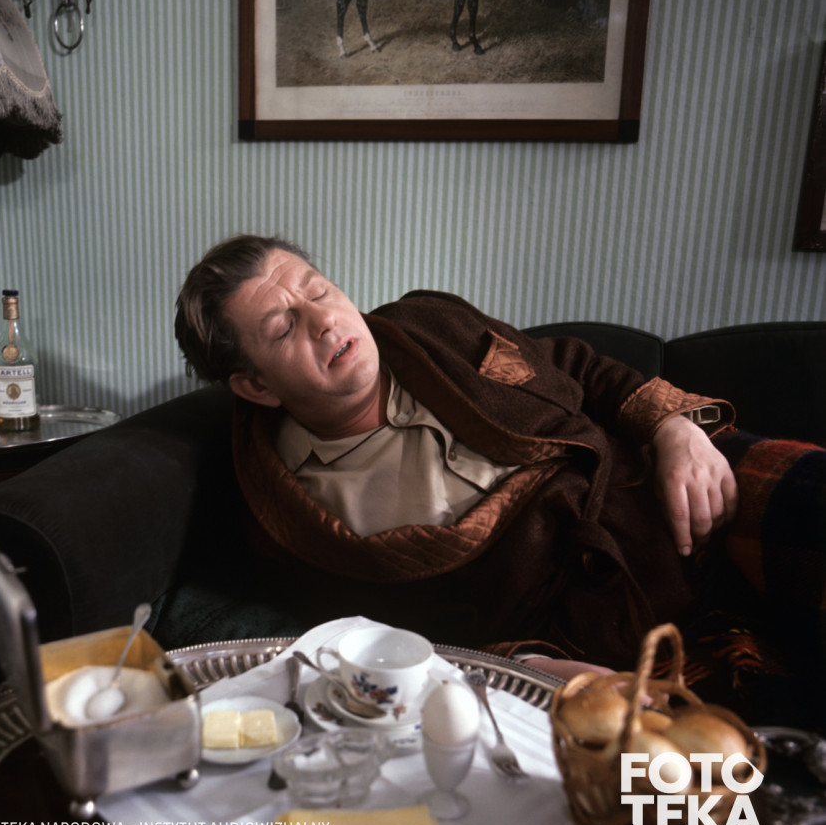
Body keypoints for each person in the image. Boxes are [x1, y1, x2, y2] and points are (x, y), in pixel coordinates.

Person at [174, 234, 742, 681]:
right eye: (284, 328)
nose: (325, 322)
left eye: (319, 291)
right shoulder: (291, 521)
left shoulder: (429, 325)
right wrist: (526, 667)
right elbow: (394, 643)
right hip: (584, 638)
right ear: (257, 387)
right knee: (697, 775)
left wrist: (675, 429)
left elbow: (575, 364)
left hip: (679, 491)